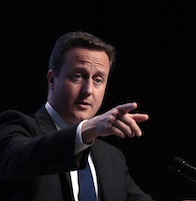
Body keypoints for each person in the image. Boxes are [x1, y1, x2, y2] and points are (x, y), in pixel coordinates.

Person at [0, 31, 155, 201]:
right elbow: (18, 159)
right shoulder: (16, 126)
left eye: (98, 80)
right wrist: (85, 131)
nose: (88, 90)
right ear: (52, 80)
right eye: (78, 76)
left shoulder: (112, 158)